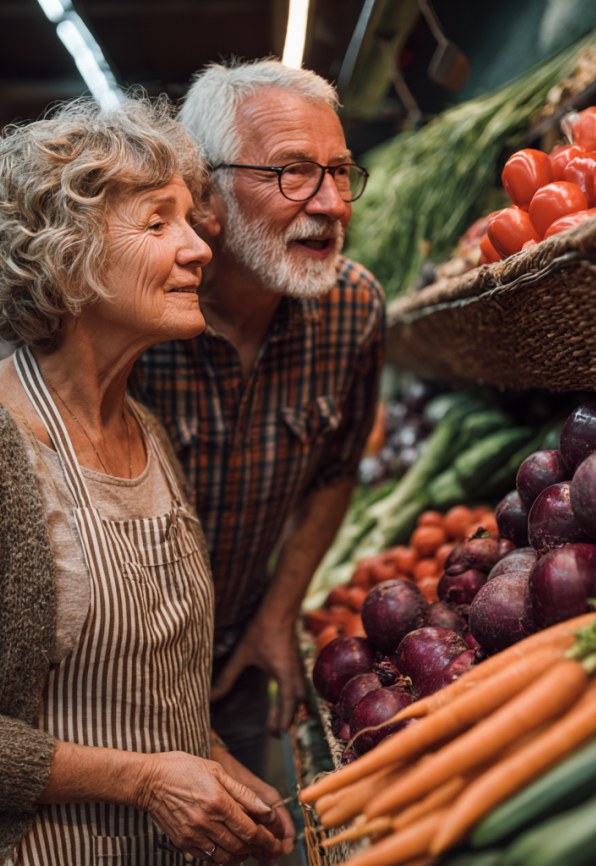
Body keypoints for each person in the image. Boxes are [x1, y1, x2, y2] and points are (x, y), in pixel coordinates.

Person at [0, 95, 293, 866]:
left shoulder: (148, 432)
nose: (199, 249)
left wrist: (211, 760)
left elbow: (144, 681)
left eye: (191, 221)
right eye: (159, 223)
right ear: (66, 258)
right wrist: (143, 782)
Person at [130, 60, 385, 775]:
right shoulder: (129, 318)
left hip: (235, 660)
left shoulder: (352, 309)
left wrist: (280, 609)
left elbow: (336, 471)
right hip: (101, 673)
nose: (332, 203)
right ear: (204, 195)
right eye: (293, 173)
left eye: (340, 172)